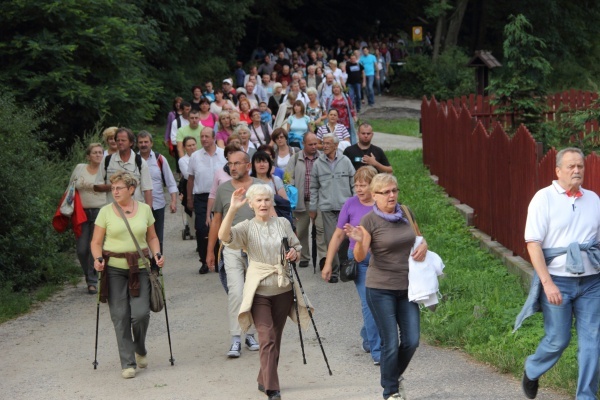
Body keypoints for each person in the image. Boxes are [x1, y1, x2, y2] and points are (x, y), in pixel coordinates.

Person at [515, 147, 600, 400]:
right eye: (571, 166)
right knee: (558, 339)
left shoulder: (594, 199)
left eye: (580, 166)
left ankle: (586, 395)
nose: (576, 170)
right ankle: (532, 369)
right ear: (558, 171)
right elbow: (533, 243)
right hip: (558, 281)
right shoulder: (544, 198)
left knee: (592, 342)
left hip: (592, 282)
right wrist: (547, 283)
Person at [218, 184, 305, 400]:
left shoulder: (283, 223)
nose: (263, 204)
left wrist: (294, 254)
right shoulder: (246, 227)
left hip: (283, 288)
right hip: (259, 291)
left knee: (276, 338)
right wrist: (232, 209)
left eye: (267, 199)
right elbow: (224, 237)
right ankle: (272, 388)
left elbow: (297, 248)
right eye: (258, 200)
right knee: (266, 337)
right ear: (251, 204)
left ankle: (263, 378)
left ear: (272, 202)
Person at [345, 173, 427, 400]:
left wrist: (425, 245)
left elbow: (418, 236)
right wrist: (360, 241)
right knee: (390, 341)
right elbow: (361, 257)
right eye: (386, 192)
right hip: (380, 288)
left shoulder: (405, 213)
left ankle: (392, 376)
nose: (392, 195)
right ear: (374, 196)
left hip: (408, 287)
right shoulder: (369, 221)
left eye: (394, 190)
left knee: (412, 340)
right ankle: (390, 391)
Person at [91, 171, 164, 379]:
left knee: (140, 314)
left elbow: (152, 237)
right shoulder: (105, 212)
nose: (115, 191)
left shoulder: (145, 210)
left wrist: (157, 254)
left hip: (140, 267)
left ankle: (140, 347)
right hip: (113, 269)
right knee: (120, 316)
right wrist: (98, 259)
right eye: (113, 188)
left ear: (131, 189)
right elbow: (96, 242)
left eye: (119, 188)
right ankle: (128, 362)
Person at [322, 166, 381, 364]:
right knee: (369, 303)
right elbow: (338, 235)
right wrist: (329, 263)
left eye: (363, 185)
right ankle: (378, 351)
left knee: (382, 304)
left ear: (373, 185)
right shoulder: (350, 204)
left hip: (381, 261)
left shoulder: (382, 203)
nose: (358, 189)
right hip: (360, 261)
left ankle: (367, 334)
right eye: (356, 185)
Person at [206, 151, 262, 358]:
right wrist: (210, 251)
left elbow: (270, 215)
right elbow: (216, 221)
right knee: (236, 292)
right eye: (230, 164)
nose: (233, 167)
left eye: (237, 163)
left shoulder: (259, 187)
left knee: (254, 293)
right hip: (231, 247)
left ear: (248, 165)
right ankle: (236, 338)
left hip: (257, 248)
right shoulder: (223, 190)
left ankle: (250, 334)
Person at [309, 133, 355, 282]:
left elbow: (353, 183)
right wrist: (313, 207)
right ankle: (334, 272)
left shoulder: (345, 161)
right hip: (327, 207)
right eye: (324, 143)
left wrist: (355, 202)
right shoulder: (318, 163)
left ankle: (344, 264)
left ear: (336, 145)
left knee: (347, 238)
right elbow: (314, 187)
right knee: (331, 239)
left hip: (345, 206)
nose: (325, 146)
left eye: (329, 143)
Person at [186, 127, 227, 274]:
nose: (203, 139)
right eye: (201, 136)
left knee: (219, 228)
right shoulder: (195, 156)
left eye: (206, 136)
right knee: (202, 228)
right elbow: (190, 179)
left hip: (220, 196)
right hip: (201, 197)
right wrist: (189, 197)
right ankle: (204, 260)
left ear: (214, 137)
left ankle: (217, 259)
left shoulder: (223, 154)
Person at [286, 133, 326, 269]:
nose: (314, 147)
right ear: (303, 144)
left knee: (320, 229)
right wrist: (291, 189)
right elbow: (287, 177)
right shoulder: (295, 158)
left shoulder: (323, 158)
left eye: (316, 144)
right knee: (301, 230)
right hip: (301, 202)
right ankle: (304, 256)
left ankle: (323, 258)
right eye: (310, 144)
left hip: (319, 201)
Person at [137, 131, 178, 261]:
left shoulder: (159, 159)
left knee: (157, 237)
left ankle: (156, 265)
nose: (143, 145)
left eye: (146, 142)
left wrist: (173, 201)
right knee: (139, 236)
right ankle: (142, 264)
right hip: (138, 205)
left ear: (151, 143)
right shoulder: (133, 160)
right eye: (141, 142)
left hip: (158, 204)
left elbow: (170, 181)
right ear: (137, 144)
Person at [72, 143, 107, 294]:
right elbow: (70, 189)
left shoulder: (106, 170)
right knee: (81, 249)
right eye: (95, 153)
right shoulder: (80, 168)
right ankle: (89, 274)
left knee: (95, 246)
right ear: (88, 156)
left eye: (100, 152)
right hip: (82, 212)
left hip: (100, 211)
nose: (98, 155)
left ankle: (92, 282)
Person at [95, 128, 153, 206]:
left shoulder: (140, 162)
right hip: (113, 211)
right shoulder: (107, 160)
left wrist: (148, 213)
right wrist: (116, 186)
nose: (120, 142)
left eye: (123, 140)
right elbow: (96, 187)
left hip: (135, 210)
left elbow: (147, 190)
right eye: (118, 140)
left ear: (131, 142)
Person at [178, 136, 198, 241]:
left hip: (201, 188)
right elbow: (187, 175)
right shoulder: (183, 160)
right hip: (190, 188)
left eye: (193, 145)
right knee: (191, 213)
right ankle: (193, 231)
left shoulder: (201, 156)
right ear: (185, 148)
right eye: (189, 146)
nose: (192, 147)